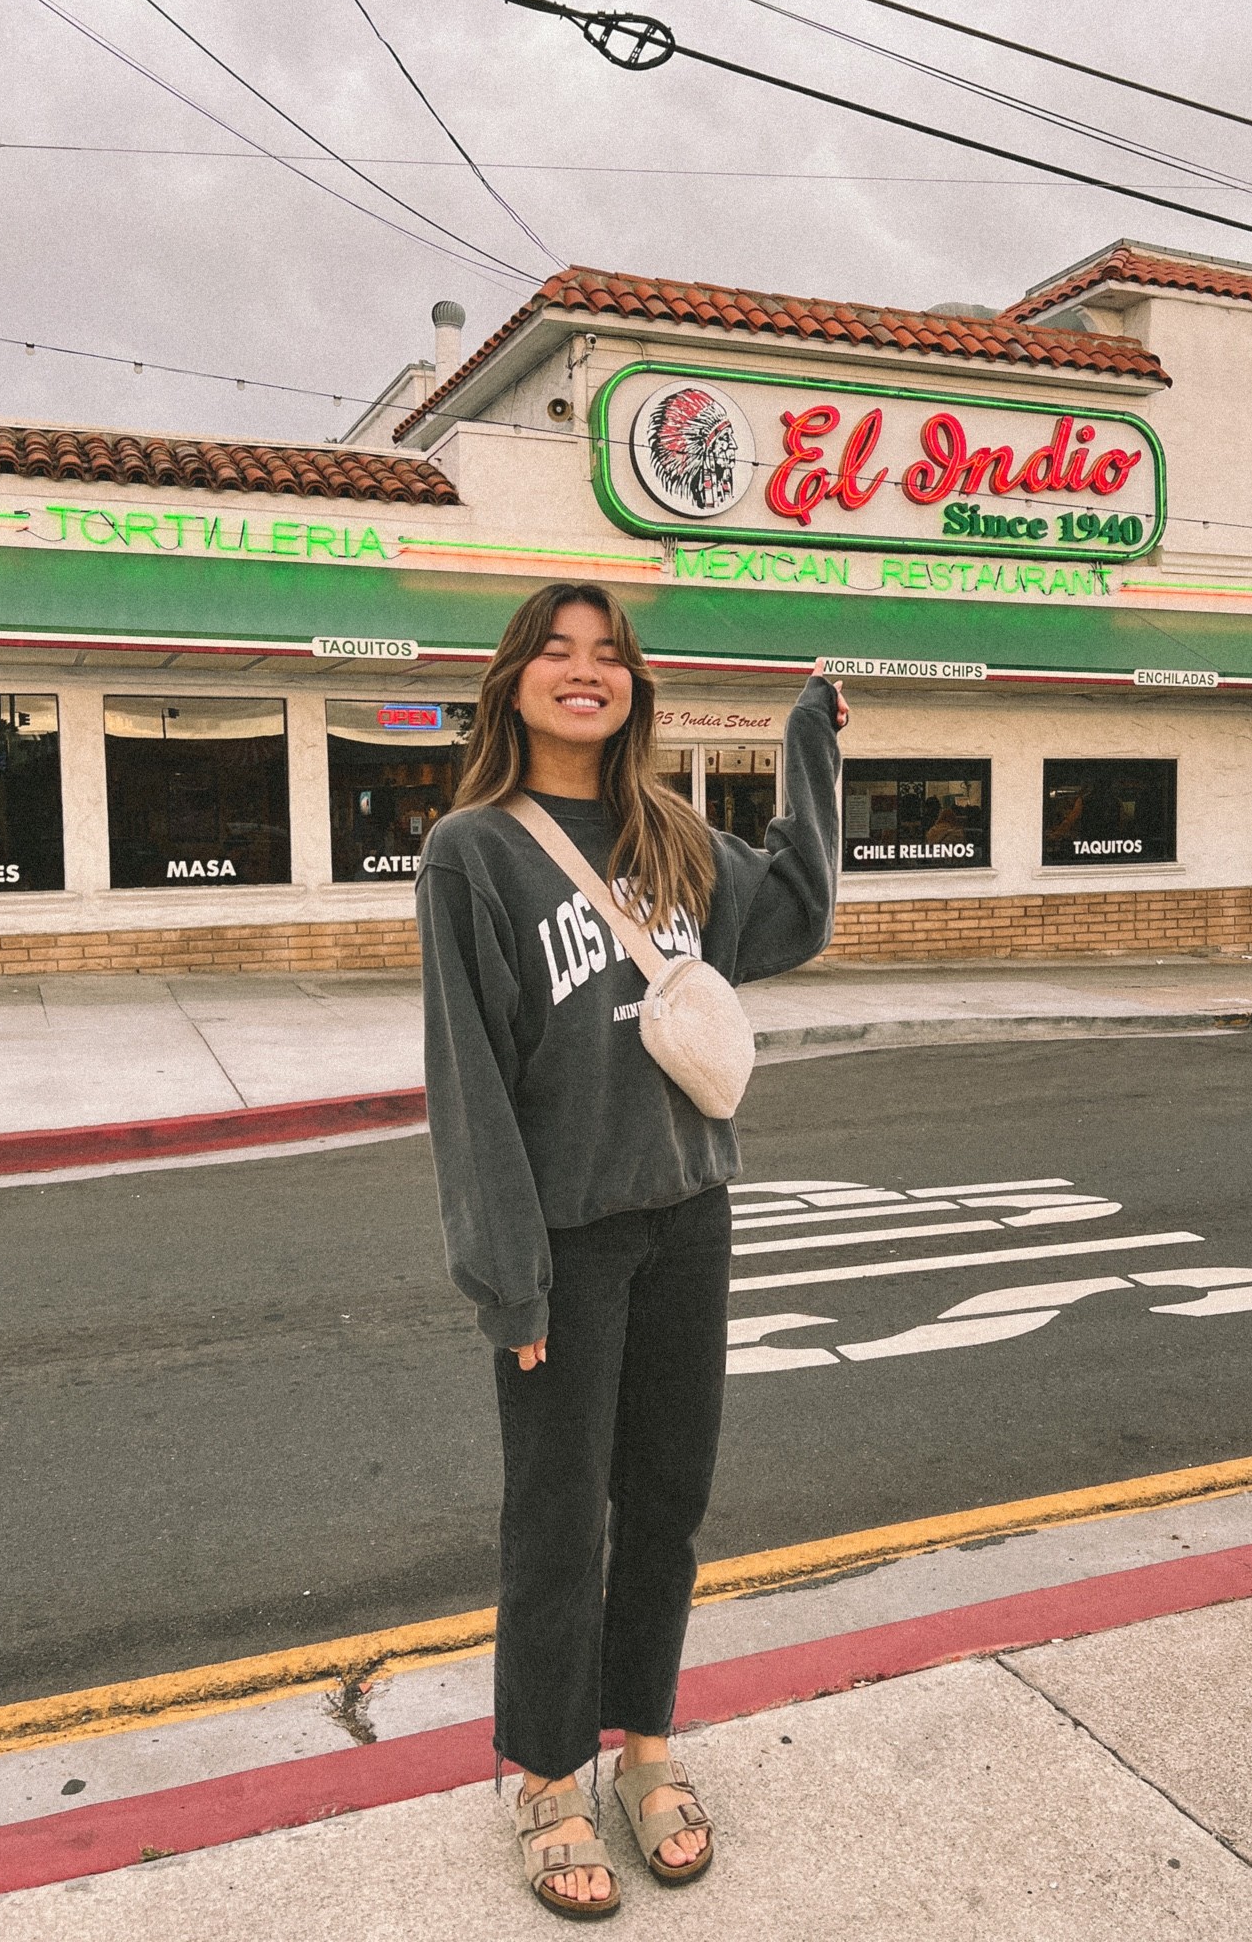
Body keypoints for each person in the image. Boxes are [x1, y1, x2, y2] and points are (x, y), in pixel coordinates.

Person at [416, 582, 845, 1918]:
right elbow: (469, 1077)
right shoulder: (471, 853)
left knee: (665, 1504)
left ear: (635, 687)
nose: (584, 670)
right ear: (514, 681)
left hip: (689, 1218)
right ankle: (550, 1774)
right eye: (557, 649)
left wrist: (811, 751)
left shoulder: (672, 838)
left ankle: (645, 1749)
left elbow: (795, 920)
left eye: (608, 653)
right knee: (557, 1519)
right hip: (568, 1243)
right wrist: (510, 1273)